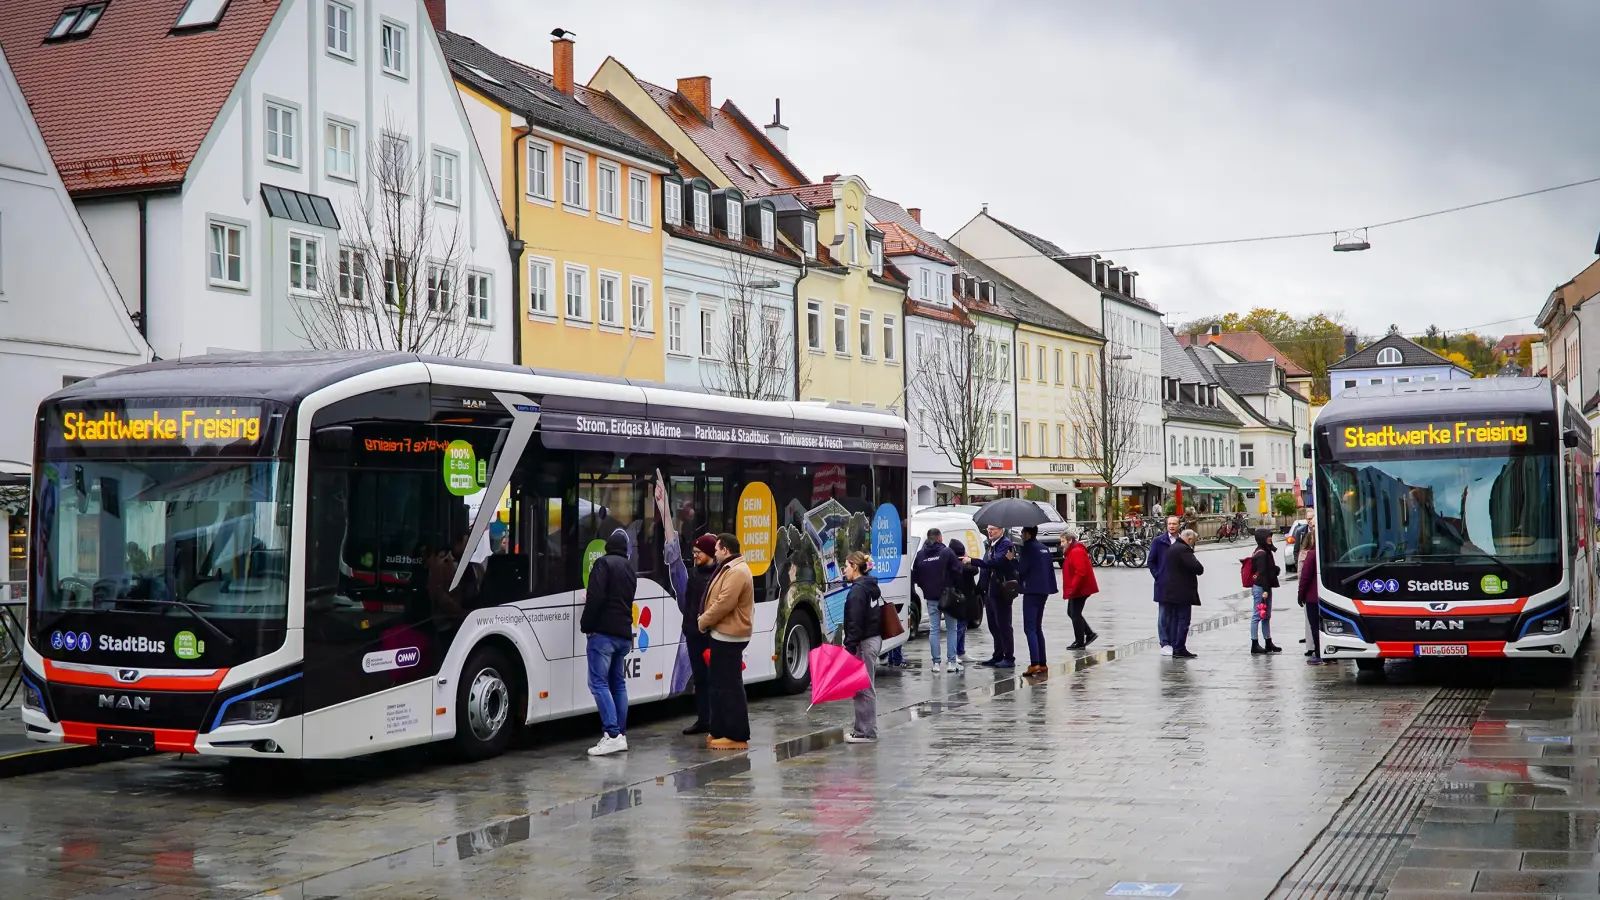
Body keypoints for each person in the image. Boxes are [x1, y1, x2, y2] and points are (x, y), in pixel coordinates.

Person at [581, 532, 636, 757]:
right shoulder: (629, 569)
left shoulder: (603, 564)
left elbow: (596, 597)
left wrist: (587, 625)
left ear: (607, 547)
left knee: (598, 683)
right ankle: (620, 734)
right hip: (624, 633)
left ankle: (612, 734)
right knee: (618, 684)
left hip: (603, 633)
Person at [697, 533, 754, 750]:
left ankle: (736, 734)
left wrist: (703, 621)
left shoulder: (737, 571)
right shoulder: (730, 568)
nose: (714, 553)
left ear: (726, 550)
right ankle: (720, 730)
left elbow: (724, 603)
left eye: (717, 549)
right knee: (719, 684)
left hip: (730, 635)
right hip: (722, 634)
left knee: (729, 686)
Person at [842, 551, 885, 743]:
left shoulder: (858, 590)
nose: (844, 571)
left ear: (854, 567)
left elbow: (856, 622)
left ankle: (866, 732)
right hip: (872, 638)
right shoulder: (869, 586)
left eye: (846, 566)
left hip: (865, 642)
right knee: (863, 686)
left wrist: (849, 645)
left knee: (863, 687)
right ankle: (864, 729)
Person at [680, 534, 720, 734]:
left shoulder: (719, 576)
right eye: (694, 552)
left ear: (710, 553)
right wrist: (687, 628)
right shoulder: (695, 574)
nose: (695, 556)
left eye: (699, 553)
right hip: (693, 635)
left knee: (714, 679)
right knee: (700, 679)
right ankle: (703, 720)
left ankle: (716, 720)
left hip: (710, 636)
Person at [912, 528, 964, 672]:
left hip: (931, 597)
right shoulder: (947, 552)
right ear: (940, 538)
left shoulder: (920, 555)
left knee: (934, 630)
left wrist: (926, 588)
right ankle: (952, 663)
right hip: (949, 597)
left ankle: (936, 664)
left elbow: (916, 576)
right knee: (951, 629)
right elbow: (958, 572)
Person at [967, 524, 1018, 668]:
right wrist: (979, 589)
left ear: (1001, 530)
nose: (990, 531)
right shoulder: (992, 545)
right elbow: (986, 570)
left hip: (1002, 591)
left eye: (993, 528)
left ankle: (1009, 657)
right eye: (988, 529)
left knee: (1004, 625)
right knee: (993, 625)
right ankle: (998, 655)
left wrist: (972, 560)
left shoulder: (1006, 545)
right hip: (989, 592)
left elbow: (995, 563)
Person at [1014, 525, 1059, 675]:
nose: (1021, 535)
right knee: (1038, 627)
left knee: (1030, 628)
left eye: (1022, 532)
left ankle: (1034, 663)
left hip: (1032, 590)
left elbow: (1021, 569)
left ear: (1027, 534)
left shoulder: (1028, 548)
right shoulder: (1044, 548)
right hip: (1044, 590)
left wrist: (1012, 560)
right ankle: (1042, 662)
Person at [1159, 529, 1204, 658]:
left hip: (1172, 590)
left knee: (1174, 619)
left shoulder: (1173, 548)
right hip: (1182, 591)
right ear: (1189, 539)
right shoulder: (1183, 550)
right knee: (1183, 620)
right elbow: (1198, 568)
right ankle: (1179, 647)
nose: (1193, 544)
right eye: (1193, 541)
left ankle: (1175, 646)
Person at [1060, 529, 1100, 650]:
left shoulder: (1076, 551)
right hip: (1078, 588)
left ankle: (1080, 641)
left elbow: (1080, 572)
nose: (1061, 544)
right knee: (1072, 612)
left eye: (1063, 541)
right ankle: (1089, 634)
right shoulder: (1072, 551)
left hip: (1080, 589)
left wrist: (1073, 588)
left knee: (1075, 613)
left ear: (1070, 540)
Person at [1148, 516, 1181, 655]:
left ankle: (1174, 641)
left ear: (1179, 525)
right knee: (1163, 614)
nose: (1172, 526)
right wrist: (1158, 575)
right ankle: (1165, 642)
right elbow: (1151, 561)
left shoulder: (1182, 541)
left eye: (1174, 524)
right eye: (1169, 524)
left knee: (1175, 614)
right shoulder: (1158, 541)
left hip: (1179, 584)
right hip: (1163, 584)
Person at [1299, 522, 1329, 666]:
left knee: (1315, 627)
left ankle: (1319, 654)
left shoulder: (1312, 555)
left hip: (1313, 597)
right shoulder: (1330, 552)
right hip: (1329, 596)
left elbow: (1304, 577)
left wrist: (1300, 595)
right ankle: (1330, 655)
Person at [1251, 527, 1284, 654]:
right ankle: (1254, 643)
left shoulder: (1266, 551)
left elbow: (1267, 570)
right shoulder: (1262, 553)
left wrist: (1275, 569)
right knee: (1257, 616)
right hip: (1261, 588)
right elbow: (1262, 573)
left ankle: (1268, 641)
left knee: (1266, 616)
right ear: (1262, 539)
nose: (1270, 538)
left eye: (1270, 536)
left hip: (1265, 587)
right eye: (1268, 536)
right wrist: (1265, 590)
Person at [948, 539, 979, 664]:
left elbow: (975, 569)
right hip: (957, 598)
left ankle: (961, 651)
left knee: (963, 625)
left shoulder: (964, 562)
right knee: (959, 626)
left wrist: (967, 559)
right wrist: (965, 560)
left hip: (967, 598)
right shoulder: (954, 563)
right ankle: (954, 652)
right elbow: (970, 570)